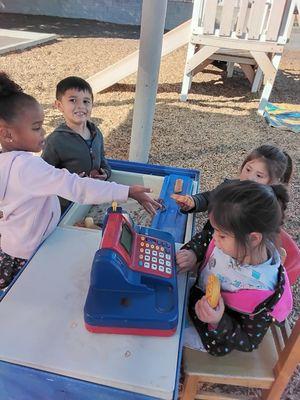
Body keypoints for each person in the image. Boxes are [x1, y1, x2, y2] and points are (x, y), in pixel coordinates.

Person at [0, 72, 160, 289]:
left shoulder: (7, 162)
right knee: (29, 293)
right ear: (7, 134)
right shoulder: (28, 167)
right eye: (36, 127)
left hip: (13, 244)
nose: (43, 132)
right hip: (29, 251)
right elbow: (77, 187)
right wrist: (128, 191)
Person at [186, 180, 293, 356]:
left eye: (221, 235)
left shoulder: (262, 292)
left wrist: (218, 321)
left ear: (253, 238)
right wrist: (192, 252)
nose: (215, 238)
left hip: (209, 335)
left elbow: (249, 341)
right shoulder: (232, 242)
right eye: (215, 230)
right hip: (193, 295)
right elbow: (206, 239)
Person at [175, 145, 297, 274]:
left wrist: (196, 252)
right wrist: (194, 202)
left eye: (259, 175)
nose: (250, 178)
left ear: (273, 184)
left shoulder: (261, 216)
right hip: (210, 251)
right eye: (248, 169)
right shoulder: (230, 189)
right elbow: (210, 200)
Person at [42, 76, 111, 211]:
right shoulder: (55, 141)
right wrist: (69, 182)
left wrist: (105, 173)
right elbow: (44, 176)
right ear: (59, 106)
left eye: (86, 101)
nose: (81, 106)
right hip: (67, 206)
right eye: (73, 100)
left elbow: (103, 161)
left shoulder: (96, 133)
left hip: (93, 197)